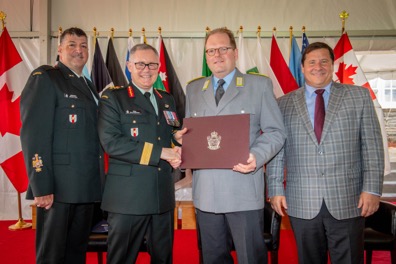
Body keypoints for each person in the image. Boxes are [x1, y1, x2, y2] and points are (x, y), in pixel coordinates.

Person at [267, 42, 385, 264]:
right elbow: (277, 150)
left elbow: (372, 146)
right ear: (302, 68)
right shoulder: (283, 104)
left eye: (324, 61)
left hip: (349, 200)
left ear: (332, 65)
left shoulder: (358, 97)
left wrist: (371, 189)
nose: (318, 67)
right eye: (311, 62)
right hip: (301, 200)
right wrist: (274, 189)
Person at [185, 27, 286, 264]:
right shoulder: (194, 89)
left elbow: (275, 131)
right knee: (213, 258)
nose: (217, 55)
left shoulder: (258, 85)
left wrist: (256, 156)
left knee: (251, 257)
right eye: (211, 50)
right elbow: (192, 135)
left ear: (235, 52)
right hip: (206, 192)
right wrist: (182, 141)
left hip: (242, 189)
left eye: (223, 49)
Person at [20, 27, 103, 264]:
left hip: (86, 186)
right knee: (52, 255)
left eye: (83, 45)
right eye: (72, 45)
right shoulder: (46, 78)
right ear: (59, 49)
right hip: (58, 189)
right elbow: (34, 135)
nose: (79, 50)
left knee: (76, 254)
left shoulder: (87, 84)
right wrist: (41, 185)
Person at [98, 43, 185, 264]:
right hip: (128, 198)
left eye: (152, 64)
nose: (147, 69)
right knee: (122, 259)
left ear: (158, 67)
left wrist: (177, 142)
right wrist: (162, 153)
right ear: (129, 66)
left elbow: (169, 134)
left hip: (161, 196)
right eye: (140, 64)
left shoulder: (167, 99)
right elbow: (112, 143)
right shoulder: (113, 98)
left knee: (163, 259)